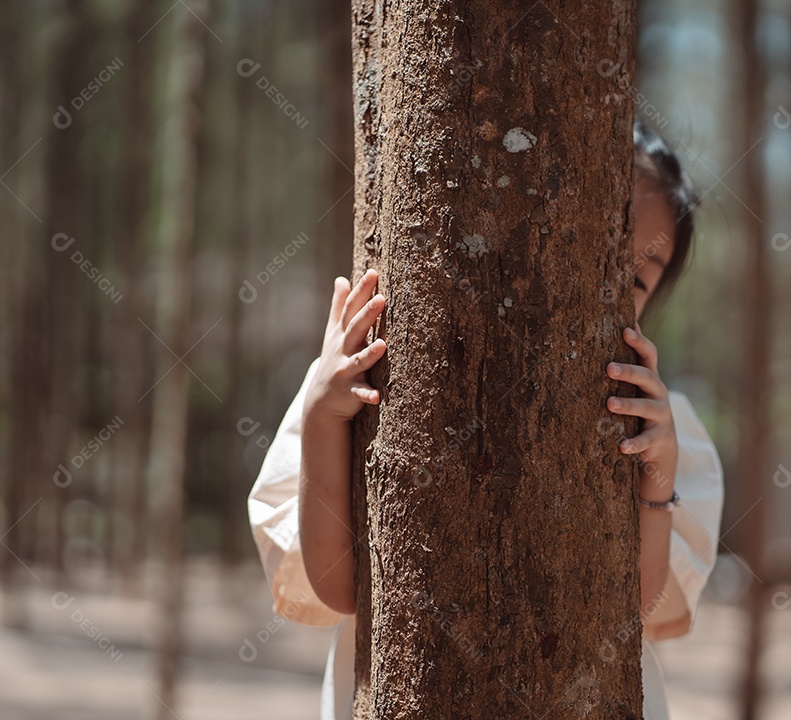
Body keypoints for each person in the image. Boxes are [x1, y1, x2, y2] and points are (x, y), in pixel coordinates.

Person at [248, 117, 725, 720]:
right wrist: (320, 419)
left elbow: (633, 606)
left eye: (630, 278)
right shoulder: (365, 388)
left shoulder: (655, 422)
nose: (595, 282)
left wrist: (658, 472)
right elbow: (342, 586)